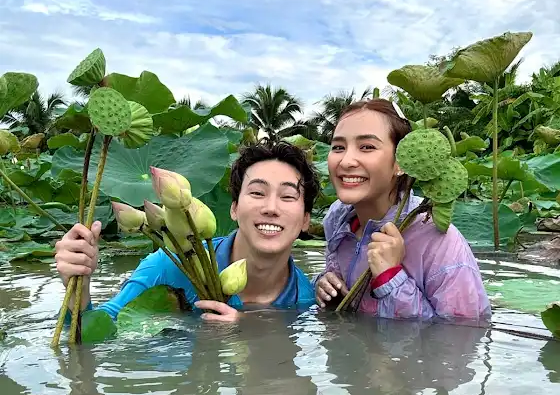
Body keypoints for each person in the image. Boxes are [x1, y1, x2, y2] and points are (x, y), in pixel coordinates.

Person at [55, 140, 321, 323]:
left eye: (288, 196)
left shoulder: (306, 300)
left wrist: (243, 331)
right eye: (257, 193)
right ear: (234, 208)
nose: (271, 208)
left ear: (305, 220)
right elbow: (92, 334)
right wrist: (78, 288)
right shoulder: (170, 265)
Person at [314, 98, 491, 321]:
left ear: (401, 162)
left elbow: (463, 334)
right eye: (338, 147)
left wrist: (391, 278)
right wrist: (323, 285)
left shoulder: (439, 240)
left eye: (367, 147)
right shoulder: (336, 220)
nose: (346, 161)